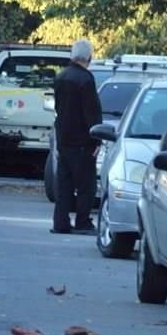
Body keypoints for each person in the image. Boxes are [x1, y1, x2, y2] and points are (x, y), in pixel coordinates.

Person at [51, 39, 102, 235]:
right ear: (89, 57)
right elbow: (91, 112)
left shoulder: (61, 77)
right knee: (86, 185)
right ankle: (82, 221)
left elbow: (58, 109)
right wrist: (96, 138)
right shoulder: (86, 80)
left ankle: (60, 222)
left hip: (64, 138)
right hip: (82, 141)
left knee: (64, 184)